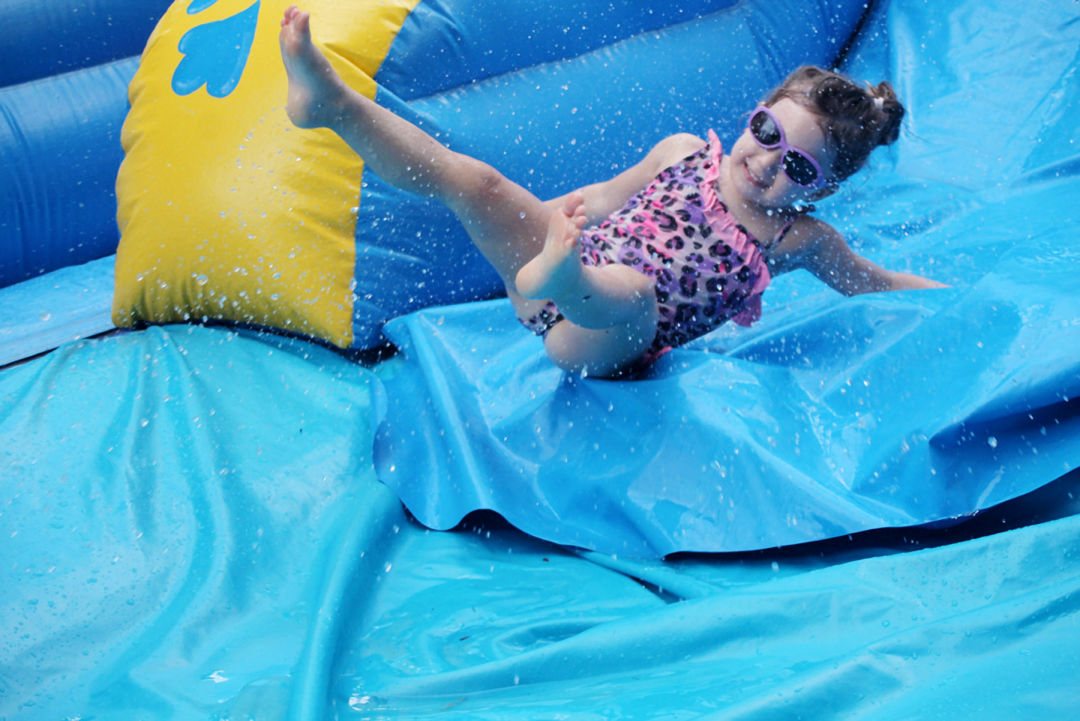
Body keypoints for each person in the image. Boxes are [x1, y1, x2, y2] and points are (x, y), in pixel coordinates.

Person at [279, 6, 943, 377]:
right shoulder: (683, 153)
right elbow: (600, 198)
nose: (768, 163)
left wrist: (942, 296)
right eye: (767, 131)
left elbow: (870, 281)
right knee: (474, 182)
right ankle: (334, 105)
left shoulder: (798, 240)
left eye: (798, 168)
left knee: (635, 298)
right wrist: (560, 211)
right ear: (756, 110)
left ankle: (568, 277)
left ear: (821, 190)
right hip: (551, 273)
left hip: (598, 342)